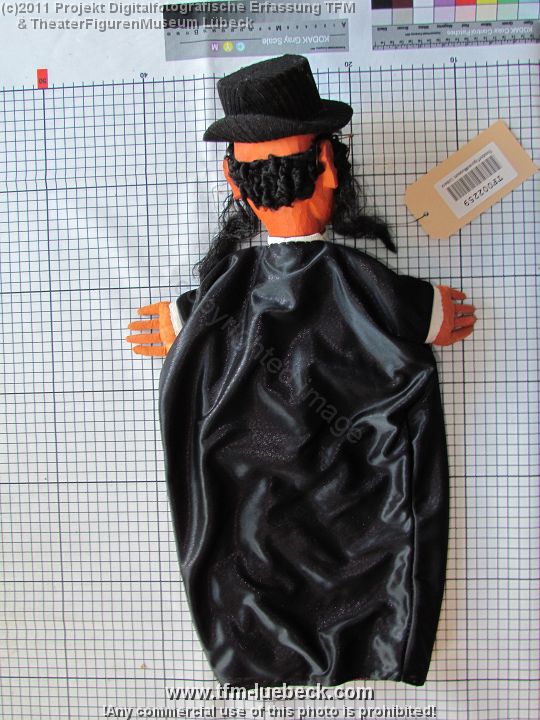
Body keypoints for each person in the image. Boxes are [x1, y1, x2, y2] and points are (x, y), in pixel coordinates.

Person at [126, 54, 476, 687]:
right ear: (331, 168)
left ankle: (262, 649)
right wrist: (434, 310)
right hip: (366, 498)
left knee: (253, 540)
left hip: (250, 493)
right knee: (368, 537)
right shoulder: (363, 284)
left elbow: (190, 320)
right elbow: (432, 314)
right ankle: (378, 641)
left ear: (235, 184)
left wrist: (178, 320)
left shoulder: (222, 300)